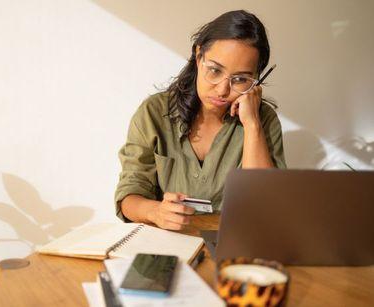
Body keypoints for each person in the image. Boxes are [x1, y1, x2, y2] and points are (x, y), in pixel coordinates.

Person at [114, 10, 286, 230]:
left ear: (256, 79)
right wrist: (155, 212)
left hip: (233, 246)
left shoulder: (262, 120)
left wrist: (252, 126)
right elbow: (129, 194)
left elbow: (266, 206)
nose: (223, 90)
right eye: (214, 70)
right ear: (198, 57)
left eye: (241, 79)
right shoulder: (154, 112)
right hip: (167, 243)